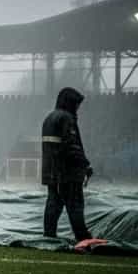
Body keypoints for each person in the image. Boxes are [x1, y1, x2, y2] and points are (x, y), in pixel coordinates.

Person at [41, 87, 93, 241]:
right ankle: (83, 238)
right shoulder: (67, 118)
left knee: (53, 204)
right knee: (75, 205)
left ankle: (48, 237)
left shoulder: (49, 118)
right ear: (70, 103)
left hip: (51, 173)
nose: (77, 108)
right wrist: (85, 165)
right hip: (68, 173)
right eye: (76, 104)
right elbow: (72, 147)